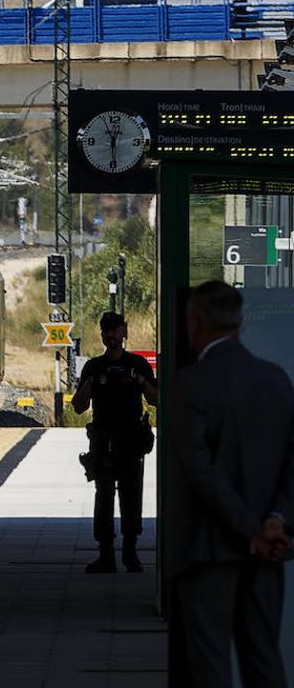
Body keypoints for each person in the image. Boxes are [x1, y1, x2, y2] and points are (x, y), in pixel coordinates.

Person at [169, 281, 294, 688]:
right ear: (240, 323)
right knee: (264, 662)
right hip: (266, 557)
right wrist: (274, 521)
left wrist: (250, 531)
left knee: (210, 667)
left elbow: (201, 472)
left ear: (195, 322)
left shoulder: (191, 384)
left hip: (209, 555)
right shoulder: (276, 380)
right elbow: (291, 463)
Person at [71, 311, 157, 573]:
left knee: (132, 496)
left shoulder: (137, 364)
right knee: (104, 496)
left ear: (124, 332)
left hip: (131, 438)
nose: (110, 334)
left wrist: (141, 381)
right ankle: (106, 554)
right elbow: (78, 406)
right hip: (103, 439)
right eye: (106, 329)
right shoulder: (94, 367)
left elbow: (156, 399)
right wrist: (89, 384)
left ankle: (130, 552)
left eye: (115, 329)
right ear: (101, 334)